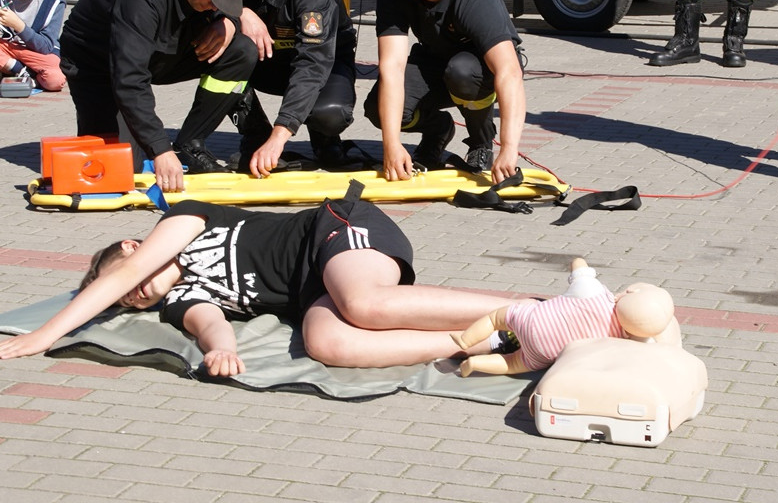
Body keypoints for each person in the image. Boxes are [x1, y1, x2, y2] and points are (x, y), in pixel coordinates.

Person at [0, 194, 522, 372]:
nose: (130, 293)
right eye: (125, 299)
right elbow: (210, 327)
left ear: (132, 246)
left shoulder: (185, 220)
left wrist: (45, 337)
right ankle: (491, 338)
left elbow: (134, 272)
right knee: (326, 342)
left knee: (365, 304)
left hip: (334, 230)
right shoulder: (180, 299)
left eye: (115, 280)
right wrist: (221, 351)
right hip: (314, 291)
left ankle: (534, 307)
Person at [60, 0, 258, 192]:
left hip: (157, 45)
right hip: (97, 63)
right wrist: (160, 150)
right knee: (117, 170)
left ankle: (190, 144)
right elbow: (130, 78)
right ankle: (160, 150)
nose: (215, 4)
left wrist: (230, 19)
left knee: (240, 50)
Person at [364, 0, 526, 183]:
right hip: (435, 61)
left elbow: (508, 71)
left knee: (461, 72)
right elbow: (392, 67)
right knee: (376, 109)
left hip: (479, 68)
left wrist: (509, 148)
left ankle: (481, 142)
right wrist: (391, 145)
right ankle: (438, 129)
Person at [225, 0, 359, 177]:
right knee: (216, 46)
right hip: (265, 58)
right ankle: (254, 136)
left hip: (324, 61)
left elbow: (312, 65)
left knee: (330, 114)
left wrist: (281, 134)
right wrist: (239, 12)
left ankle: (325, 140)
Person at [1, 0, 67, 92]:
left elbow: (46, 46)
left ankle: (23, 75)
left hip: (37, 52)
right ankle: (22, 72)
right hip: (6, 48)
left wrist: (19, 25)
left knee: (55, 81)